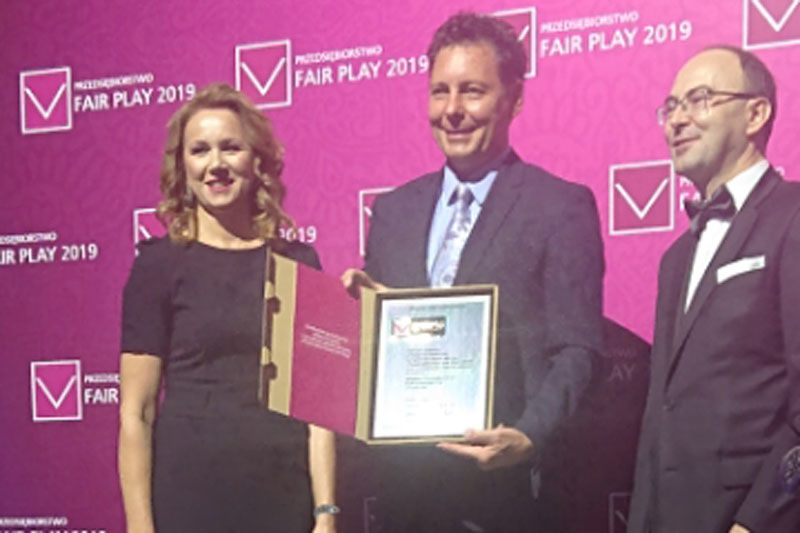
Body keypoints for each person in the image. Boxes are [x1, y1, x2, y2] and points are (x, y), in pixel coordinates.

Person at [342, 12, 604, 532]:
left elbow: (578, 349)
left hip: (508, 496)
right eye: (440, 91)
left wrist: (529, 436)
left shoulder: (559, 206)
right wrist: (368, 315)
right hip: (406, 496)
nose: (453, 110)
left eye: (473, 91)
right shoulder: (394, 211)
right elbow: (377, 353)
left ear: (515, 99)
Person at [118, 83, 337, 533]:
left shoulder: (299, 264)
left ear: (256, 161)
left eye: (230, 147)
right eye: (199, 150)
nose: (215, 164)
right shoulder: (157, 266)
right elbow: (136, 413)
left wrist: (326, 513)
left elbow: (319, 413)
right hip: (188, 499)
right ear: (183, 166)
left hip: (283, 497)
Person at [627, 46, 800, 533]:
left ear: (756, 113)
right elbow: (661, 416)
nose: (677, 120)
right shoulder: (675, 258)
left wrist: (758, 522)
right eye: (670, 107)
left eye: (699, 100)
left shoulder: (793, 216)